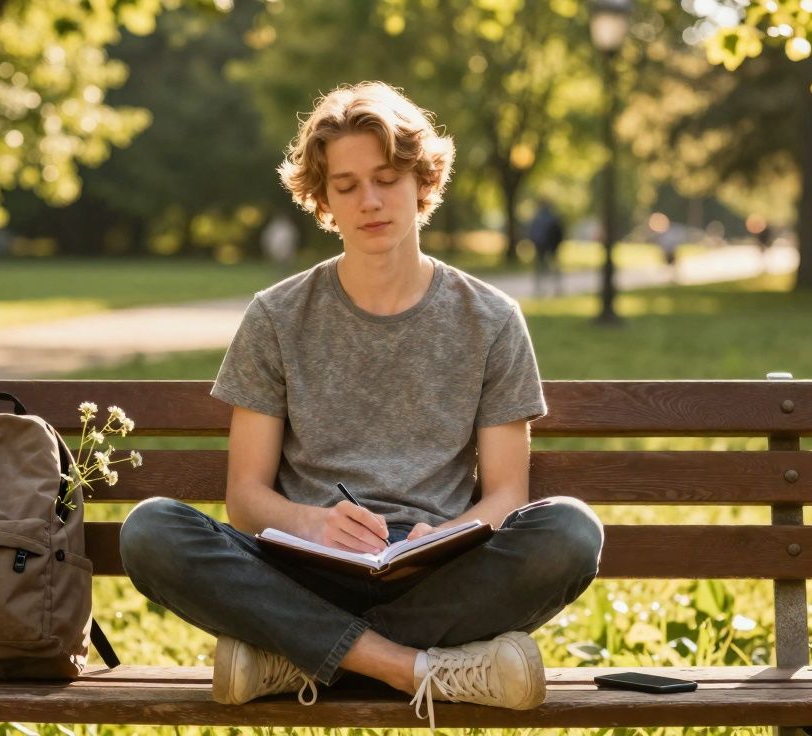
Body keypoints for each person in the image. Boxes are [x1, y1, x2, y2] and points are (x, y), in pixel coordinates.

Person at [118, 82, 603, 727]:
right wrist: (314, 524)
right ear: (323, 200)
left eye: (385, 178)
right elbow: (246, 497)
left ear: (421, 182)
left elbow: (508, 495)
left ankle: (296, 656)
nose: (369, 201)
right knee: (151, 530)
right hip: (301, 568)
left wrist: (451, 533)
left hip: (437, 569)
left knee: (569, 532)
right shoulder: (276, 317)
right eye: (345, 186)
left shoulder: (490, 319)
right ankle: (409, 668)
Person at [528, 199, 565, 297]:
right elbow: (559, 232)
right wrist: (557, 245)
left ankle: (540, 290)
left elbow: (532, 232)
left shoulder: (537, 218)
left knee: (540, 269)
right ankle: (557, 289)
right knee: (554, 268)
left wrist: (535, 243)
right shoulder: (553, 218)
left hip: (540, 247)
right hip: (552, 247)